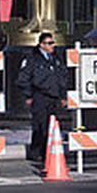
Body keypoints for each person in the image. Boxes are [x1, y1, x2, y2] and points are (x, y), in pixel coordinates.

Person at [17, 32, 68, 162]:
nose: (52, 46)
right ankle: (37, 152)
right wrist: (28, 95)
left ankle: (48, 151)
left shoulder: (56, 59)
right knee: (40, 126)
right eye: (49, 43)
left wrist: (62, 96)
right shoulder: (32, 59)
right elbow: (24, 78)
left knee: (52, 125)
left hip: (54, 97)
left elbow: (62, 77)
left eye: (53, 43)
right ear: (41, 44)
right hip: (39, 95)